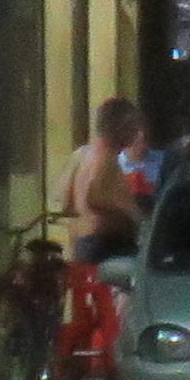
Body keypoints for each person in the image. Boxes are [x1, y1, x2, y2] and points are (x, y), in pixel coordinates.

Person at [58, 97, 148, 270]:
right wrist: (130, 217)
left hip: (81, 244)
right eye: (133, 125)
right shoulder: (106, 157)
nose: (137, 132)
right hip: (105, 245)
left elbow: (65, 201)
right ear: (119, 127)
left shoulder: (81, 155)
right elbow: (96, 196)